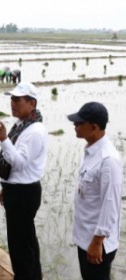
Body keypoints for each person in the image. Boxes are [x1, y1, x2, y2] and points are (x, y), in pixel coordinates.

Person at [0, 82, 48, 280]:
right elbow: (15, 166)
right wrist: (6, 187)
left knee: (20, 243)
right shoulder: (23, 125)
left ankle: (25, 276)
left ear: (31, 104)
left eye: (18, 100)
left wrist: (3, 139)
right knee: (24, 240)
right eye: (12, 99)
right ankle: (30, 276)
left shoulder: (35, 131)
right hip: (17, 190)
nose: (13, 103)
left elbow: (19, 163)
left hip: (24, 193)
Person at [67, 102, 123, 280]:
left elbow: (111, 204)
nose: (74, 126)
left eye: (79, 123)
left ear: (94, 127)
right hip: (85, 238)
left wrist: (98, 241)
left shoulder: (108, 160)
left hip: (97, 243)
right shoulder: (91, 152)